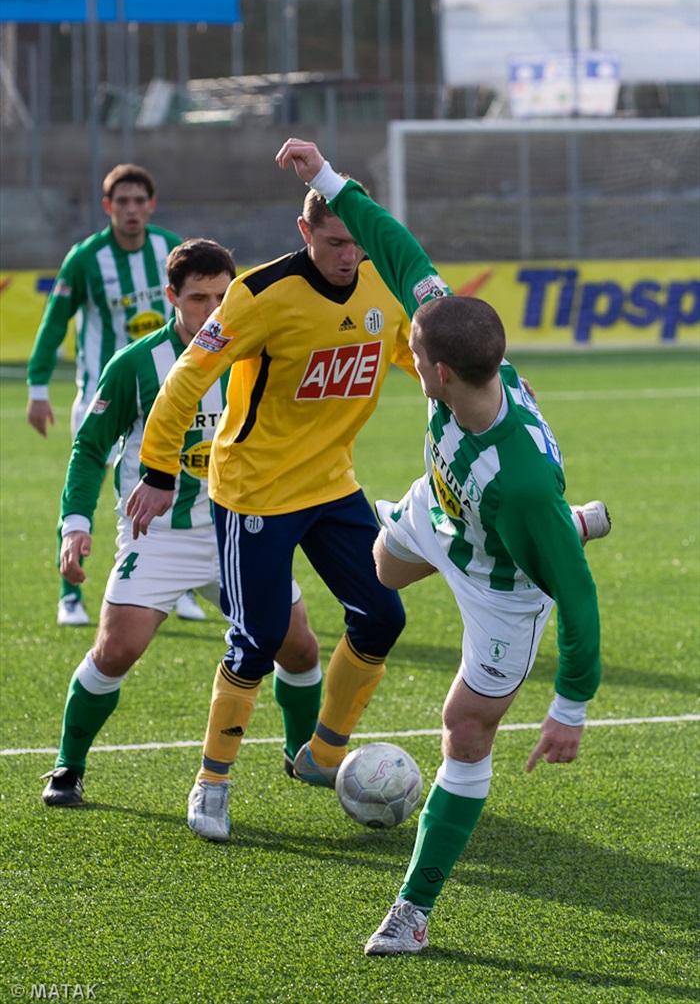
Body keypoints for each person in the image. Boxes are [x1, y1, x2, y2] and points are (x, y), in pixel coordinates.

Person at [275, 138, 610, 956]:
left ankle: (413, 910)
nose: (408, 360)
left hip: (506, 580)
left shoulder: (521, 481)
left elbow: (581, 601)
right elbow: (396, 244)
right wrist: (324, 176)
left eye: (414, 357)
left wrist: (569, 707)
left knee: (463, 726)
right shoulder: (461, 346)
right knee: (379, 576)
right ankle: (560, 528)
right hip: (443, 511)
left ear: (442, 374)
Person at [125, 179, 422, 842]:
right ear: (305, 231)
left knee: (382, 613)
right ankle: (212, 780)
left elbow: (412, 351)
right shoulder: (258, 294)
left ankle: (320, 755)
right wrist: (159, 469)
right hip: (255, 489)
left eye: (357, 243)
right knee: (257, 638)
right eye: (335, 243)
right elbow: (185, 381)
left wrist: (485, 385)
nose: (349, 256)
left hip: (331, 484)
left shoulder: (384, 285)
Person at [39, 239, 318, 807]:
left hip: (240, 532)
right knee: (115, 651)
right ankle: (68, 767)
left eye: (222, 296)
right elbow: (91, 448)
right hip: (159, 536)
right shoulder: (137, 365)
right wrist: (74, 522)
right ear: (171, 296)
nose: (212, 309)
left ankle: (302, 756)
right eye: (198, 298)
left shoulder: (261, 355)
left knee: (301, 651)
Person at [26, 163, 202, 626]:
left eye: (138, 201)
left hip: (170, 390)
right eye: (121, 202)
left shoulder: (170, 248)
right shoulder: (85, 259)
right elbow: (54, 323)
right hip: (102, 392)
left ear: (151, 205)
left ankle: (180, 586)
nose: (131, 210)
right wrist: (38, 386)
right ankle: (71, 594)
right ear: (108, 207)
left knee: (182, 477)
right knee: (87, 476)